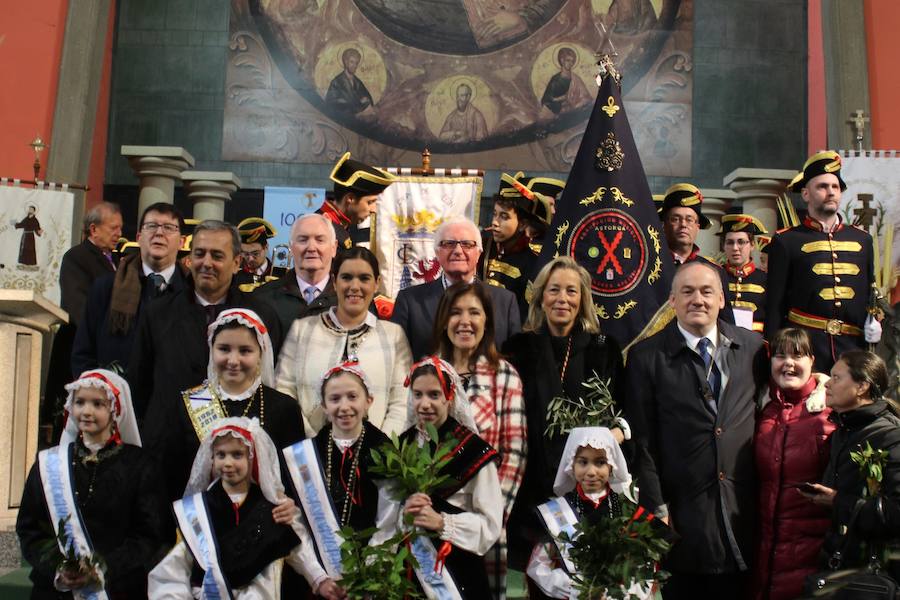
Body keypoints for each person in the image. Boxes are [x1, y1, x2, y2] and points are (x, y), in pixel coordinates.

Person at [624, 260, 766, 598]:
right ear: (672, 301)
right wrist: (656, 508)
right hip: (683, 517)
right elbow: (642, 442)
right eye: (687, 292)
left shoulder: (754, 348)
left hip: (742, 515)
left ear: (721, 299)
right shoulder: (646, 357)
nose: (697, 300)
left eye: (706, 292)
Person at [502, 256, 627, 570]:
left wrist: (617, 433)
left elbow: (623, 412)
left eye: (571, 291)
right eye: (554, 290)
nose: (562, 299)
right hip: (529, 491)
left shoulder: (605, 349)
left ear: (582, 299)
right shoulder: (517, 348)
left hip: (590, 492)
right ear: (541, 296)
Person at [148, 417, 343, 599]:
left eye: (237, 455)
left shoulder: (270, 505)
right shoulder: (198, 510)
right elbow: (175, 568)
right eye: (221, 455)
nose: (228, 463)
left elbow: (298, 549)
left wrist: (320, 579)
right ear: (212, 459)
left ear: (252, 458)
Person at [17, 369, 166, 599]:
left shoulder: (140, 465)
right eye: (80, 402)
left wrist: (104, 568)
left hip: (117, 589)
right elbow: (30, 529)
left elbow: (150, 535)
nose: (86, 411)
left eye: (98, 404)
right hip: (56, 590)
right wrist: (57, 568)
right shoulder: (48, 464)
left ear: (115, 410)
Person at [371, 356, 502, 598]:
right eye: (417, 394)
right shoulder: (401, 448)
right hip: (410, 572)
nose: (424, 404)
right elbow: (386, 520)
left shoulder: (473, 451)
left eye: (434, 394)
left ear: (449, 396)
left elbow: (490, 526)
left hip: (458, 571)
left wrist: (443, 522)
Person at [148, 307, 305, 507]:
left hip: (265, 526)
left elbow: (296, 479)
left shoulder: (285, 408)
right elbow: (170, 476)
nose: (233, 360)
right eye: (224, 349)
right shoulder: (187, 405)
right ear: (211, 350)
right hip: (203, 523)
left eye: (245, 351)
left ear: (261, 354)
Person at [128, 219, 283, 419]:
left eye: (217, 256)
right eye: (199, 254)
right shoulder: (157, 314)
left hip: (236, 440)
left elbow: (270, 386)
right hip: (167, 441)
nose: (206, 263)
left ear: (236, 263)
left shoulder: (260, 316)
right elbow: (139, 386)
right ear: (189, 259)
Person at [433, 282, 526, 599]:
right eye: (456, 312)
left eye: (475, 312)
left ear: (487, 321)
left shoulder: (504, 375)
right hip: (430, 526)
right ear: (444, 320)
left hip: (484, 527)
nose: (465, 321)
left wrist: (488, 516)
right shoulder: (427, 373)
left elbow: (514, 454)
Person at [276, 246, 412, 436]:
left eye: (364, 278)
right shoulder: (302, 330)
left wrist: (381, 450)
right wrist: (312, 445)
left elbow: (402, 401)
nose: (354, 286)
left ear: (376, 283)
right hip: (310, 451)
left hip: (377, 458)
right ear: (334, 281)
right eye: (346, 277)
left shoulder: (393, 335)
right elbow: (284, 392)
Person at [765, 151, 876, 373]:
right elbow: (775, 304)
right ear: (806, 194)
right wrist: (772, 351)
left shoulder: (862, 239)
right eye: (822, 187)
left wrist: (874, 322)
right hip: (805, 347)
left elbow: (870, 291)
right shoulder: (786, 240)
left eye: (835, 187)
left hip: (852, 347)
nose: (831, 192)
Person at [282, 362, 392, 582]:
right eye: (334, 399)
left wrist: (369, 573)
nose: (344, 406)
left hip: (372, 576)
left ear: (368, 401)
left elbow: (389, 521)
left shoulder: (384, 450)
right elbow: (297, 520)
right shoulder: (307, 455)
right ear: (323, 405)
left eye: (353, 396)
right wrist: (317, 577)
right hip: (322, 578)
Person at [800, 351, 900, 579]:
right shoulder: (844, 430)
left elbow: (896, 513)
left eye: (837, 378)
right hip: (840, 562)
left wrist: (837, 500)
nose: (827, 385)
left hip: (874, 574)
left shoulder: (891, 436)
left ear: (862, 386)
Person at [753, 328, 835, 600]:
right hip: (764, 555)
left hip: (812, 558)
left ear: (812, 361)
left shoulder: (831, 413)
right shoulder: (761, 409)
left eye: (797, 355)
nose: (788, 363)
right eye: (779, 356)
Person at [526, 427, 651, 600]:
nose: (591, 472)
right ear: (571, 464)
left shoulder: (628, 510)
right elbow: (538, 568)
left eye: (600, 462)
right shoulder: (556, 512)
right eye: (583, 462)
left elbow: (647, 567)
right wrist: (578, 590)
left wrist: (617, 594)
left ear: (611, 465)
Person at [72, 202, 187, 376]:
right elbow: (83, 353)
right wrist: (98, 395)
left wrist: (192, 403)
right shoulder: (105, 288)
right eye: (152, 226)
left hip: (175, 399)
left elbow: (204, 362)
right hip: (116, 395)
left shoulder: (193, 290)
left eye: (169, 227)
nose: (159, 233)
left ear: (181, 242)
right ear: (139, 237)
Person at [392, 216, 521, 359]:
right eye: (449, 244)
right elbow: (397, 361)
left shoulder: (505, 301)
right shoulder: (410, 301)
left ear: (479, 253)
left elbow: (515, 361)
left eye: (467, 244)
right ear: (437, 252)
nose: (458, 250)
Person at [478, 172, 553, 321]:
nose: (495, 222)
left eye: (504, 217)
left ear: (523, 224)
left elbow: (525, 316)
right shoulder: (483, 247)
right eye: (494, 214)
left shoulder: (531, 263)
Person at [254, 212, 339, 334]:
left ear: (333, 248)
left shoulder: (347, 300)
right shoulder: (263, 299)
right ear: (291, 247)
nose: (311, 247)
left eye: (320, 240)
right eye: (303, 240)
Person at [320, 151, 395, 249]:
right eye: (370, 202)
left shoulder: (344, 225)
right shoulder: (320, 228)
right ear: (350, 199)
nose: (374, 210)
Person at [719, 213, 768, 332]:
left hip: (757, 342)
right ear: (724, 246)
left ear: (752, 245)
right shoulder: (716, 276)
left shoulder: (765, 279)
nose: (735, 248)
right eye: (730, 242)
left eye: (741, 242)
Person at [540, 46, 591, 115]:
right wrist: (559, 99)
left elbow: (586, 97)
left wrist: (577, 104)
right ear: (562, 60)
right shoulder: (555, 79)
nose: (571, 63)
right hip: (560, 114)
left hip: (575, 111)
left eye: (572, 61)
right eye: (568, 60)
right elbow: (545, 101)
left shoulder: (576, 79)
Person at [325, 47, 375, 115]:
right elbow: (331, 103)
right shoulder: (336, 82)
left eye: (356, 63)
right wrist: (358, 103)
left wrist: (366, 100)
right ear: (345, 62)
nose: (354, 65)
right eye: (352, 62)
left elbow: (369, 99)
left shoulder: (358, 82)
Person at [235, 217, 277, 292]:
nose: (250, 258)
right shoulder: (235, 276)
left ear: (266, 247)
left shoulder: (280, 275)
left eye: (255, 253)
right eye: (246, 254)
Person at [14, 203, 42, 268]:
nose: (30, 210)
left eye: (31, 209)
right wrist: (15, 224)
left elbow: (37, 228)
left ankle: (31, 263)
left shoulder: (35, 220)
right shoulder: (26, 218)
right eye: (29, 209)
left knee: (30, 249)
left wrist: (39, 231)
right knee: (23, 249)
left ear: (34, 211)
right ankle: (23, 262)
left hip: (30, 236)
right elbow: (21, 224)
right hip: (25, 236)